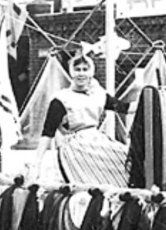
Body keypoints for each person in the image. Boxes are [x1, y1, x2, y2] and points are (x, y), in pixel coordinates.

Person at [30, 52, 133, 186]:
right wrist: (37, 163)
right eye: (77, 70)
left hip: (97, 141)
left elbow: (125, 108)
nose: (81, 74)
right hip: (75, 147)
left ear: (91, 73)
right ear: (71, 73)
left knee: (127, 158)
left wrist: (150, 98)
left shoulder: (98, 95)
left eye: (85, 69)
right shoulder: (61, 99)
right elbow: (48, 132)